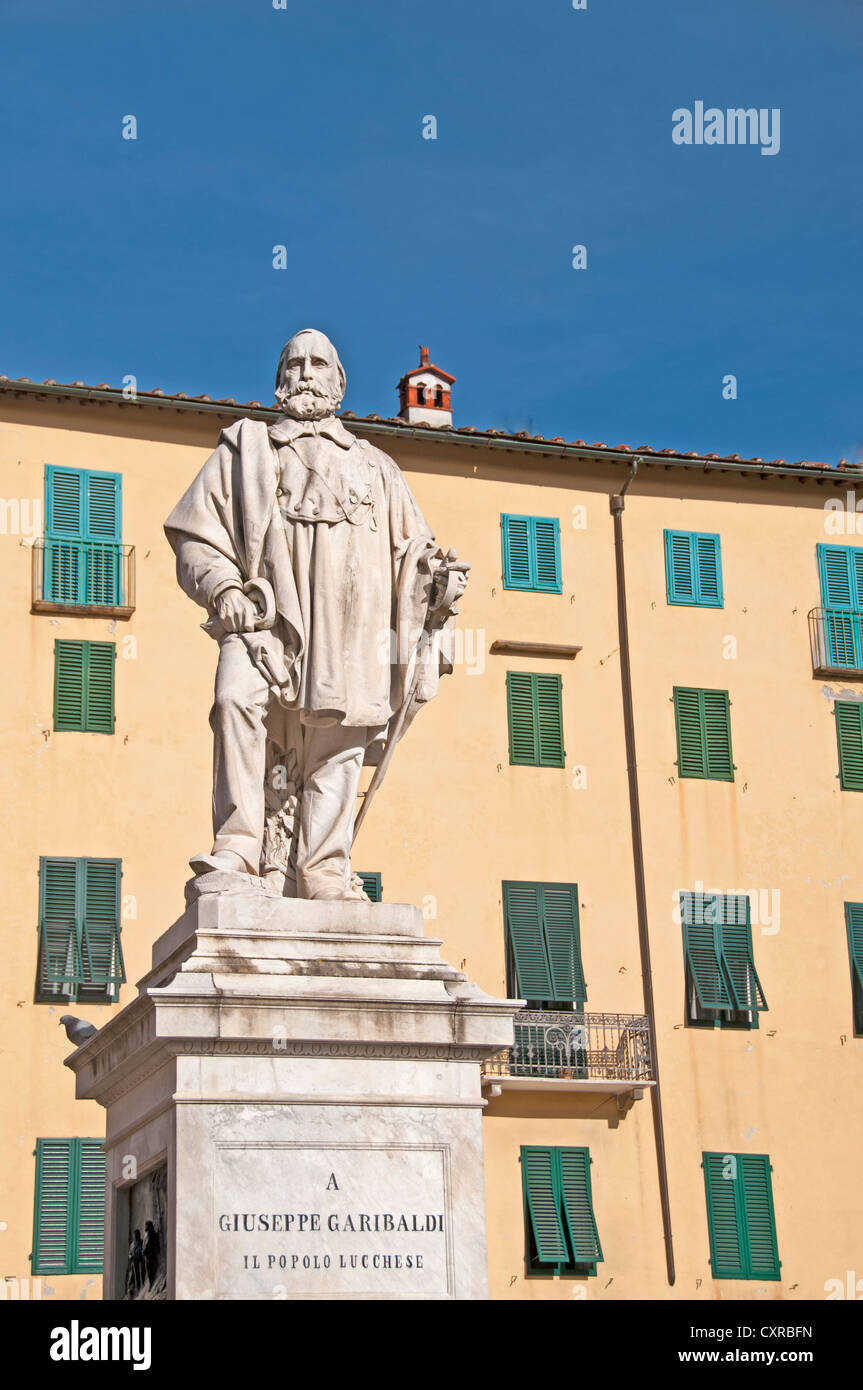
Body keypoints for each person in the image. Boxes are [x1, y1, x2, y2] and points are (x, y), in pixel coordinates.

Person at [165, 329, 467, 900]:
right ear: (280, 380)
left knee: (341, 736)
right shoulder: (245, 449)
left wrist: (439, 582)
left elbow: (414, 553)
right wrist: (223, 586)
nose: (306, 373)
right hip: (263, 620)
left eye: (318, 364)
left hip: (353, 625)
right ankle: (238, 846)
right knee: (235, 700)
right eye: (294, 363)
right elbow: (193, 536)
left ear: (339, 382)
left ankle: (324, 867)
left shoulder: (378, 467)